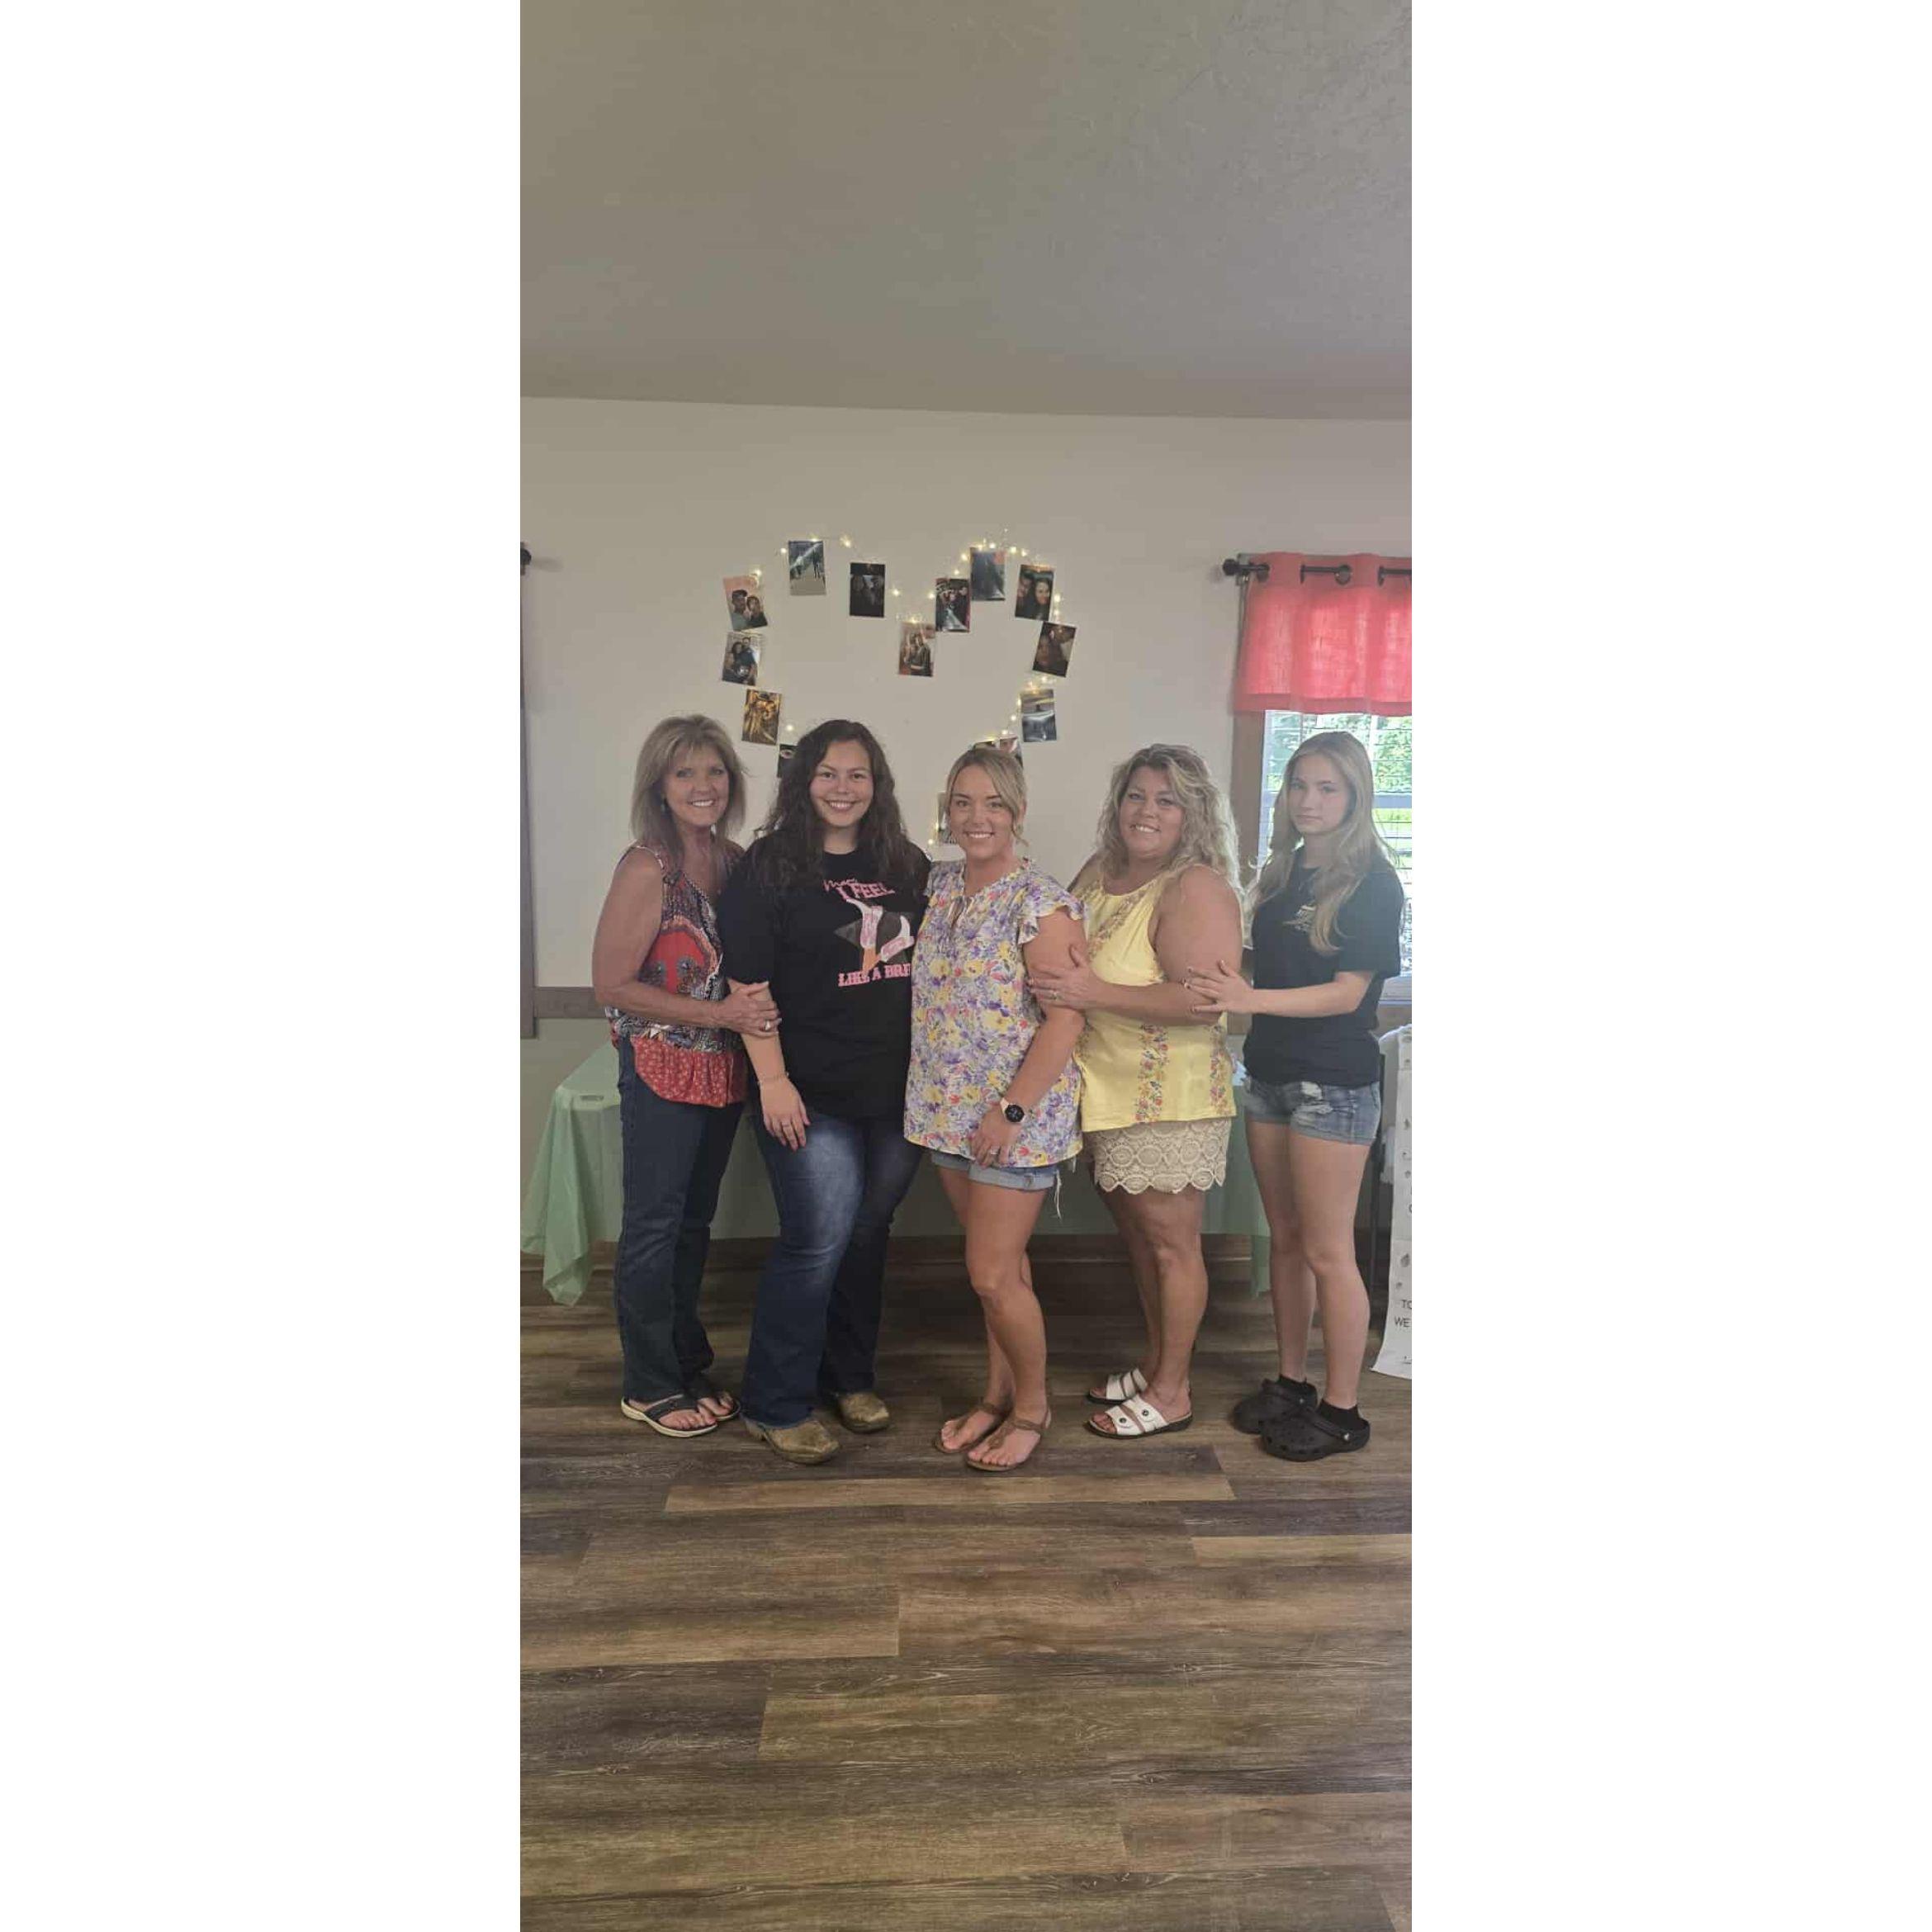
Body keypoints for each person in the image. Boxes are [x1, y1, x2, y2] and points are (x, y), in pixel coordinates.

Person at [1185, 730, 1404, 1461]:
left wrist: (1248, 999)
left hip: (1333, 1085)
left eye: (1327, 788)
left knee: (1328, 1250)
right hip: (1270, 1075)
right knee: (1284, 1239)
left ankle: (1342, 1411)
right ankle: (1291, 1384)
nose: (1309, 800)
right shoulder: (1281, 873)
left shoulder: (1373, 882)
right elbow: (1262, 965)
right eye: (1299, 785)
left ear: (1355, 796)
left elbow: (1347, 994)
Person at [717, 719, 930, 1465]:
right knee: (816, 1240)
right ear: (804, 780)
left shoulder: (905, 863)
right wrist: (772, 1082)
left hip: (897, 1093)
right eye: (829, 774)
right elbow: (749, 986)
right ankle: (774, 1402)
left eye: (858, 775)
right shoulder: (768, 866)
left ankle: (850, 1377)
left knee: (868, 1235)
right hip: (807, 1091)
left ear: (878, 785)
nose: (843, 789)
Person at [1028, 745, 1243, 1441]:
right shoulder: (1101, 870)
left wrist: (1095, 992)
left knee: (1172, 1246)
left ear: (1193, 814)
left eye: (1167, 800)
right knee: (1143, 1243)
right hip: (1105, 1092)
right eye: (1137, 796)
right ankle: (1157, 1365)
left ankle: (1173, 1392)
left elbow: (1205, 1001)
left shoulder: (1195, 887)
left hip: (1169, 1099)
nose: (1147, 812)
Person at [589, 716, 780, 1438]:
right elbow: (611, 986)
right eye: (684, 773)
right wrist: (718, 1012)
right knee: (653, 1227)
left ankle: (684, 1362)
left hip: (722, 1068)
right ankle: (648, 1384)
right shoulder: (649, 867)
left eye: (715, 771)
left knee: (692, 1226)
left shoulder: (732, 861)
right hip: (661, 1067)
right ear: (659, 786)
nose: (703, 786)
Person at [907, 748, 1085, 1471]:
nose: (976, 817)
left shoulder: (1041, 904)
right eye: (963, 802)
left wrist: (1008, 1113)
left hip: (1014, 1120)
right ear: (947, 811)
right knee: (1002, 1271)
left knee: (989, 1274)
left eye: (993, 803)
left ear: (1017, 811)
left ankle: (1034, 1409)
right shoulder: (938, 886)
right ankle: (996, 1395)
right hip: (946, 1108)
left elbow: (1066, 1021)